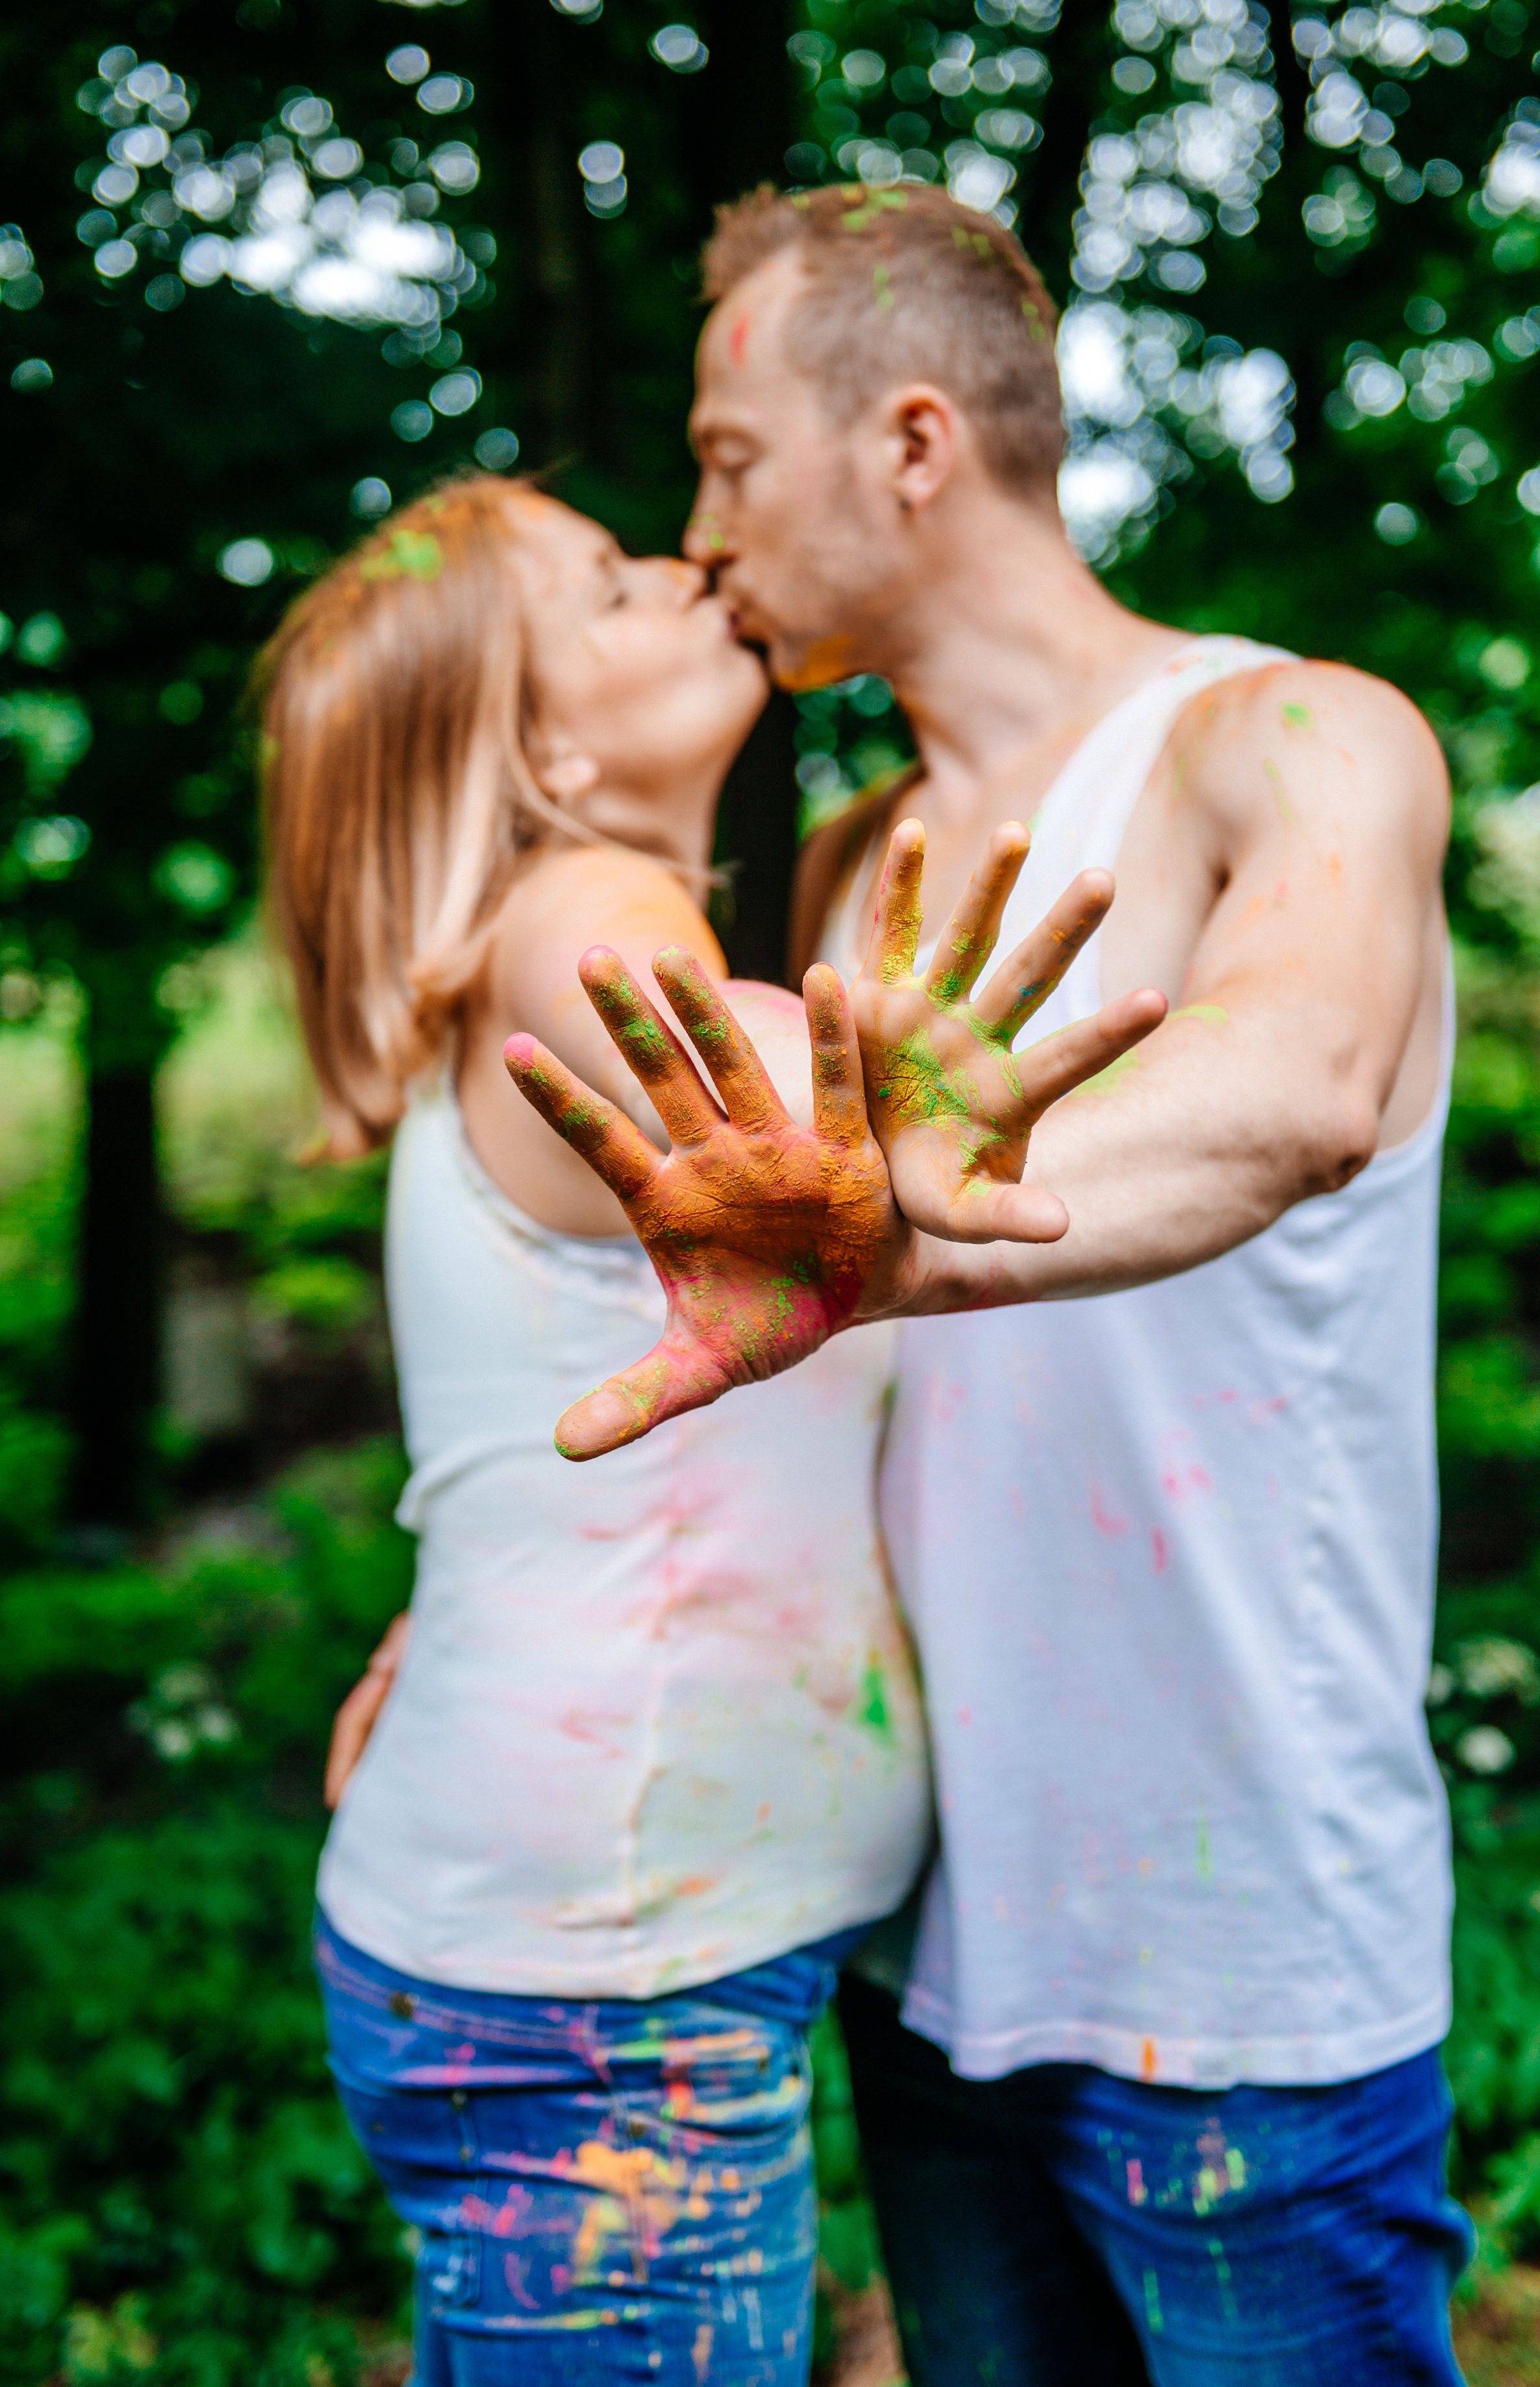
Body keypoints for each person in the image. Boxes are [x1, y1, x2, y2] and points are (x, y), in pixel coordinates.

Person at [526, 182, 1465, 2382]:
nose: (703, 523)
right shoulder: (842, 865)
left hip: (1242, 1972)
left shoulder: (1300, 739)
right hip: (920, 1957)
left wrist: (908, 1231)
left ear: (915, 445)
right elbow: (724, 1306)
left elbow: (1300, 1081)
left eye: (732, 457)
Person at [267, 471, 1151, 2385]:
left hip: (601, 1967)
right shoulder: (588, 917)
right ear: (538, 739)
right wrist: (876, 1113)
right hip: (603, 1996)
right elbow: (647, 1037)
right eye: (604, 587)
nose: (678, 567)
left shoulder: (557, 930)